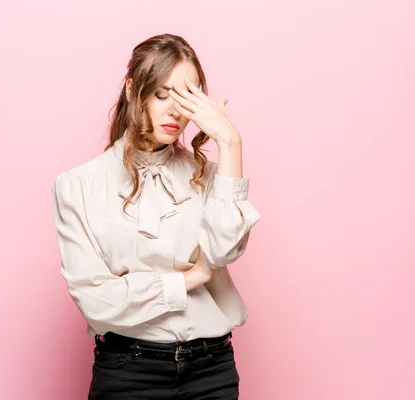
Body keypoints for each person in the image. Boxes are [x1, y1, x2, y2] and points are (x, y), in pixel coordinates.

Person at [51, 33, 261, 399]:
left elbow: (225, 250)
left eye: (187, 99)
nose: (175, 112)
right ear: (133, 90)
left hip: (211, 370)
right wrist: (191, 277)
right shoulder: (78, 185)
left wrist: (230, 143)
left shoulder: (212, 176)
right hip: (128, 373)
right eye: (163, 95)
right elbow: (96, 303)